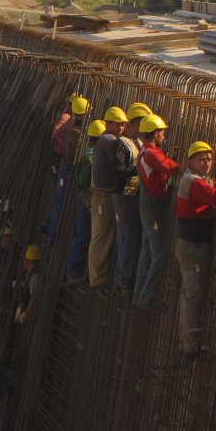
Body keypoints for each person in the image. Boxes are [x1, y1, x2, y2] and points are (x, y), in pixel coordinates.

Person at [175, 141, 216, 358]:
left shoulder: (199, 179)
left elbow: (212, 186)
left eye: (209, 159)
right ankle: (191, 346)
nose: (206, 163)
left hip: (191, 242)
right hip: (193, 244)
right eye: (201, 159)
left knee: (189, 292)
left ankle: (187, 340)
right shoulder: (193, 181)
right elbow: (214, 197)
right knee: (194, 294)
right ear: (190, 162)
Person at [133, 114, 179, 309]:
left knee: (146, 253)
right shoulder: (151, 153)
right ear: (156, 133)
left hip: (148, 203)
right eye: (162, 132)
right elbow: (173, 169)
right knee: (158, 254)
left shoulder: (145, 150)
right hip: (152, 207)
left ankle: (138, 297)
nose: (164, 136)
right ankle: (144, 300)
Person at [111, 101, 151, 302]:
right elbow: (118, 172)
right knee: (127, 240)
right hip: (124, 198)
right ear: (135, 122)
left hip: (133, 197)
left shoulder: (139, 143)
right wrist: (140, 169)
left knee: (129, 239)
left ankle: (124, 280)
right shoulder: (122, 143)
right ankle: (125, 284)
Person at [88, 106, 127, 288]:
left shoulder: (105, 139)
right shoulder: (109, 140)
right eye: (117, 124)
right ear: (108, 124)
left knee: (103, 235)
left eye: (123, 125)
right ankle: (97, 279)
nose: (120, 128)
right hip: (102, 197)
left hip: (102, 195)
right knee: (101, 236)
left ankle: (98, 276)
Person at [42, 94, 90, 244]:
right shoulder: (73, 128)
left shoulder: (77, 125)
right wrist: (63, 144)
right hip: (66, 166)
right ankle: (52, 234)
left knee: (61, 200)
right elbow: (56, 132)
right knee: (61, 200)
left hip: (67, 165)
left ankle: (48, 226)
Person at [66, 118, 105, 284]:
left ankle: (77, 270)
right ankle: (74, 272)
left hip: (85, 199)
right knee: (83, 236)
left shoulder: (90, 154)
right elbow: (83, 183)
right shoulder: (91, 158)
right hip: (86, 201)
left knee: (85, 236)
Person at [14, 244, 42, 325]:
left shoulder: (34, 276)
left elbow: (34, 298)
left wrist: (26, 314)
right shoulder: (30, 273)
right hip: (23, 308)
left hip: (30, 316)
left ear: (28, 260)